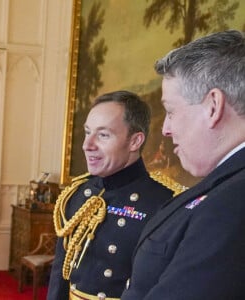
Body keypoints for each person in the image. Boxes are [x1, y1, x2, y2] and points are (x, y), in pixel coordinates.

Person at [121, 30, 245, 300]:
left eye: (171, 111)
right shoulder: (226, 186)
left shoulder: (232, 203)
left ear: (213, 106)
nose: (165, 129)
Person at [47, 90, 174, 299]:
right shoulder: (77, 193)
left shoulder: (164, 202)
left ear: (135, 142)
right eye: (88, 132)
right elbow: (60, 273)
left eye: (103, 135)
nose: (87, 145)